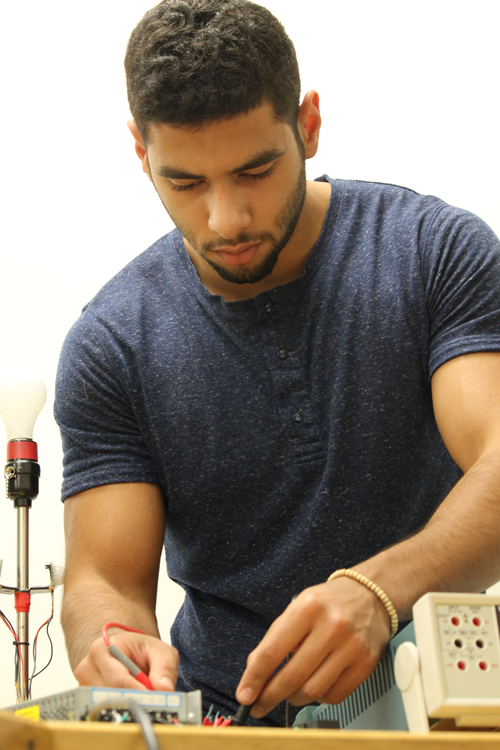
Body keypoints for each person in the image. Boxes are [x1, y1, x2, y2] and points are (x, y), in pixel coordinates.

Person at [55, 0, 500, 728]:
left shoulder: (432, 253)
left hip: (429, 709)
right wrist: (112, 640)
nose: (225, 219)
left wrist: (378, 594)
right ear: (141, 152)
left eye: (254, 170)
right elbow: (103, 579)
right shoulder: (113, 345)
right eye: (186, 184)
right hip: (223, 724)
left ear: (309, 125)